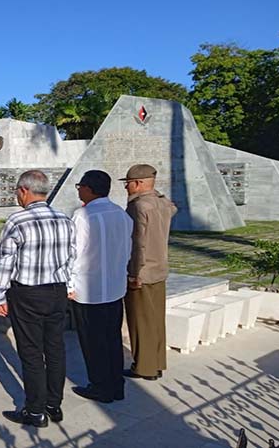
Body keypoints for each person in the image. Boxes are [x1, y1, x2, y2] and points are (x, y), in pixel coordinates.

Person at [0, 170, 76, 428]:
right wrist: (69, 286)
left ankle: (36, 410)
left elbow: (5, 261)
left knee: (30, 351)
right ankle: (54, 404)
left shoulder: (18, 221)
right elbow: (72, 256)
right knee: (55, 349)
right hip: (57, 291)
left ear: (24, 191)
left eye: (17, 191)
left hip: (28, 294)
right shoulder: (64, 219)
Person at [69, 170, 134, 403]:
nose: (78, 190)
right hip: (115, 287)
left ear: (89, 188)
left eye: (80, 186)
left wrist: (69, 284)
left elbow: (73, 254)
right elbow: (127, 250)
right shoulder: (121, 215)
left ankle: (100, 386)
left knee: (93, 342)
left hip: (89, 290)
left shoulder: (83, 216)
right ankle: (116, 385)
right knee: (112, 338)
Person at [120, 164, 177, 381]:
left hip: (143, 271)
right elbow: (173, 207)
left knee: (140, 321)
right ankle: (157, 362)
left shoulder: (138, 206)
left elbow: (138, 244)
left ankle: (144, 367)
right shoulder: (162, 203)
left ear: (138, 183)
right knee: (155, 320)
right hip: (159, 268)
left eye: (128, 183)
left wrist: (134, 274)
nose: (126, 187)